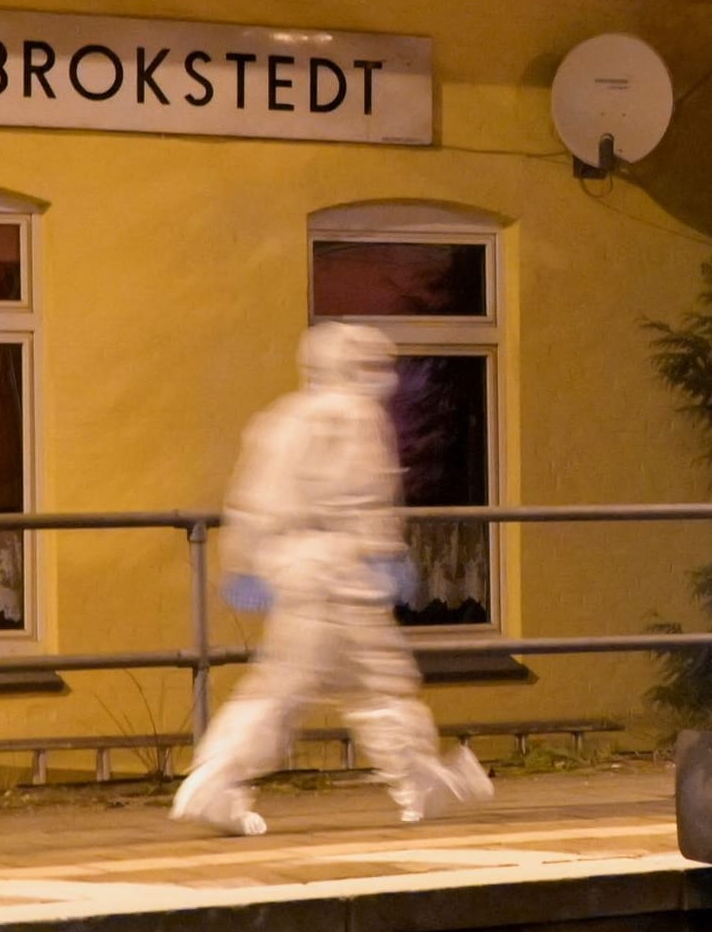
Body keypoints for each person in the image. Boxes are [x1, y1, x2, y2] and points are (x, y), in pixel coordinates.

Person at [171, 321, 492, 836]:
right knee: (328, 687)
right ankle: (219, 779)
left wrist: (249, 559)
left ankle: (416, 778)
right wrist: (385, 554)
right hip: (341, 578)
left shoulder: (286, 419)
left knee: (348, 686)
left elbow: (256, 498)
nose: (382, 379)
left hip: (301, 571)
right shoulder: (353, 418)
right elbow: (367, 498)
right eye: (372, 366)